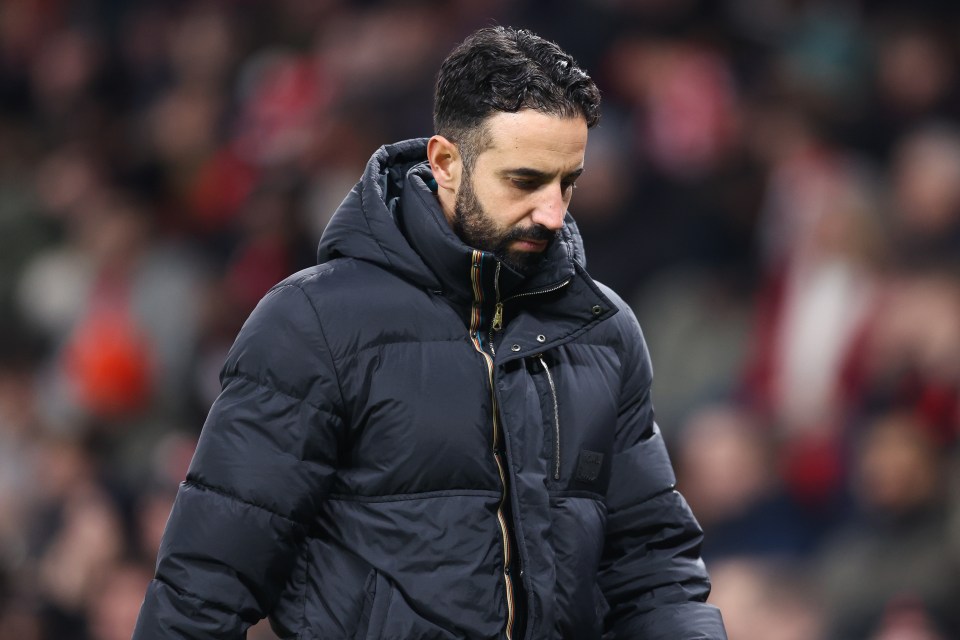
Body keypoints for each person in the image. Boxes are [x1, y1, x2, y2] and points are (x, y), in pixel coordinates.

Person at [132, 26, 727, 640]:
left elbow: (653, 568)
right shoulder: (312, 325)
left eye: (566, 182)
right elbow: (203, 586)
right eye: (525, 181)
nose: (553, 212)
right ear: (446, 162)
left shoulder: (604, 331)